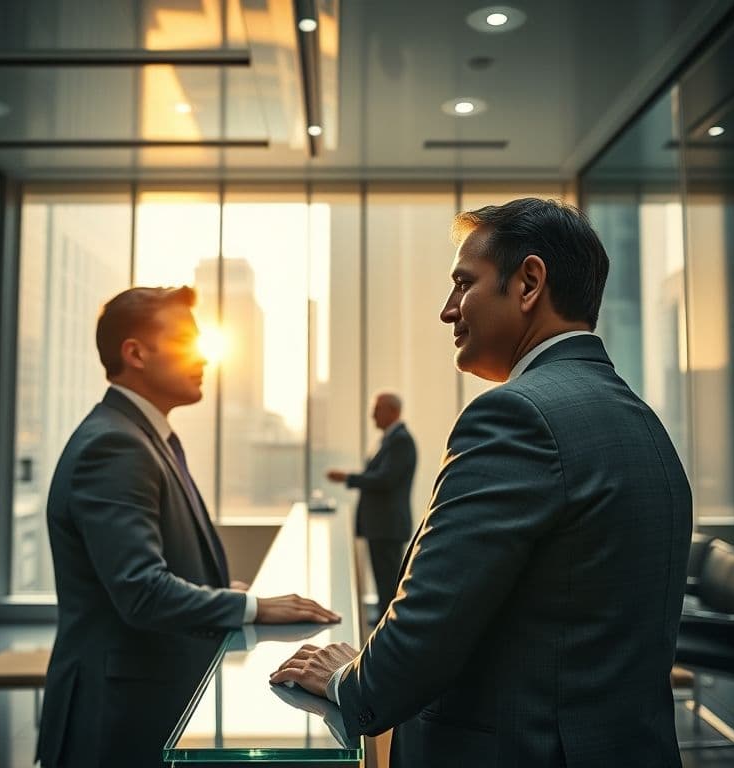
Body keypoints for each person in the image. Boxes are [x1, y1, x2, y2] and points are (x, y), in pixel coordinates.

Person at [270, 198, 693, 767]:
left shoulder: (517, 416)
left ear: (528, 283)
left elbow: (425, 629)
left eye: (463, 284)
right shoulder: (643, 423)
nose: (448, 311)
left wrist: (349, 680)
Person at [36, 286, 339, 768]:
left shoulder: (139, 435)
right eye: (184, 341)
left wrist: (214, 589)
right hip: (116, 715)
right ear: (135, 353)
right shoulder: (115, 446)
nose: (203, 357)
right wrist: (252, 606)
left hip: (135, 699)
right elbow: (140, 591)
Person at [326, 392, 416, 620]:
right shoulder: (390, 440)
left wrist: (349, 478)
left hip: (387, 525)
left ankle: (389, 628)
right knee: (383, 578)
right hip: (381, 525)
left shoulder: (401, 441)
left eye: (377, 409)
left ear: (392, 411)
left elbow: (385, 479)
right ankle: (385, 623)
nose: (372, 415)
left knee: (388, 579)